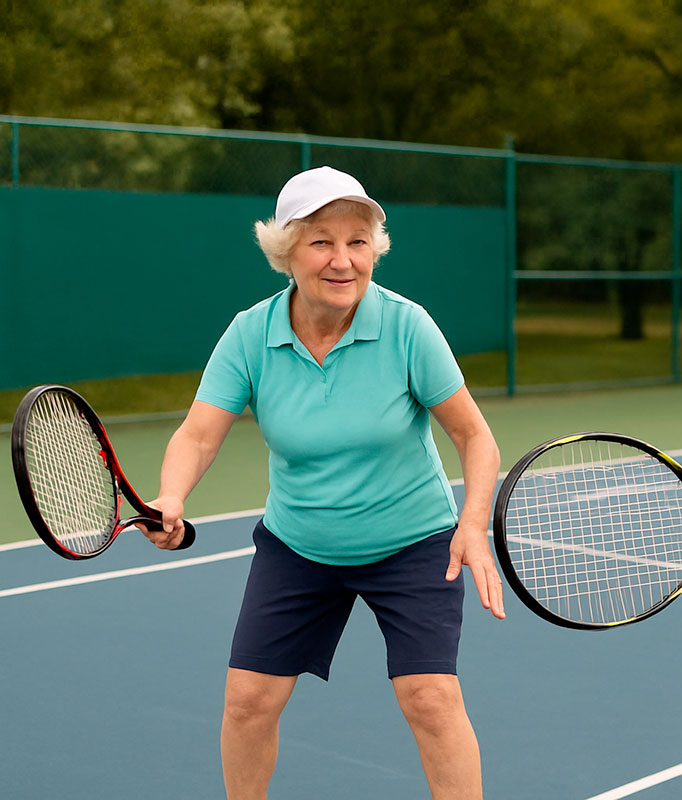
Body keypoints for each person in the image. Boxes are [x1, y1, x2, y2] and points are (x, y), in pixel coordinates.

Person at [138, 165, 504, 800]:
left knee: (430, 698)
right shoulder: (251, 334)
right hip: (299, 547)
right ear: (287, 251)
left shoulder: (407, 326)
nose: (344, 260)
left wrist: (472, 523)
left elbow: (475, 436)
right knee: (248, 702)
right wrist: (171, 497)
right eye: (322, 242)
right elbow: (199, 434)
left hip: (412, 544)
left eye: (358, 241)